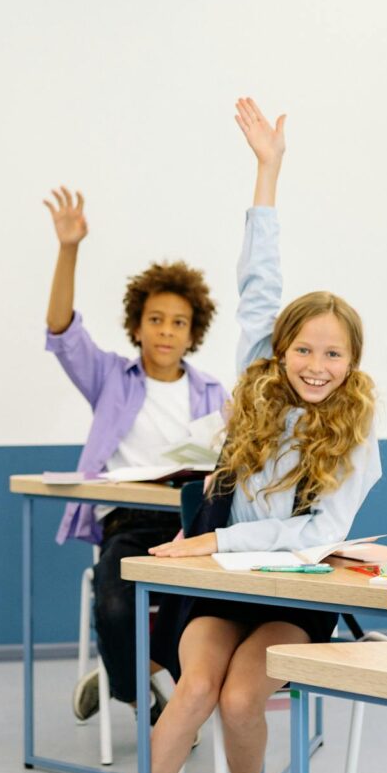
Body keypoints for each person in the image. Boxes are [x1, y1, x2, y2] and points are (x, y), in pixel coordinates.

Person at [54, 99, 381, 773]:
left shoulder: (357, 431)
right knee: (196, 688)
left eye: (332, 352)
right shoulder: (258, 381)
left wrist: (218, 545)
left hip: (288, 592)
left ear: (352, 361)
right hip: (222, 586)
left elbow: (320, 533)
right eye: (303, 346)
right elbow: (259, 278)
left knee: (241, 696)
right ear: (282, 347)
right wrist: (267, 172)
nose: (314, 363)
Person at [44, 188, 228, 724]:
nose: (166, 330)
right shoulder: (110, 379)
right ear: (137, 325)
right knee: (116, 601)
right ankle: (139, 694)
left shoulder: (214, 393)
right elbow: (61, 331)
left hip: (190, 527)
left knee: (200, 606)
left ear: (193, 332)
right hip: (126, 522)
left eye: (177, 322)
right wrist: (69, 248)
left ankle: (130, 676)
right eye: (155, 319)